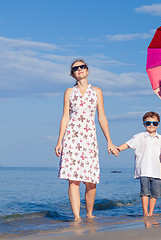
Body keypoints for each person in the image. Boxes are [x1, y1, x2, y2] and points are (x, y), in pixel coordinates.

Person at [55, 59, 118, 221]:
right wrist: (59, 140)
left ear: (87, 71)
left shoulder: (97, 91)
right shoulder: (69, 92)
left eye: (82, 67)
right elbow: (65, 116)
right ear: (72, 74)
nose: (79, 70)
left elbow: (102, 117)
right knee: (73, 180)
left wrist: (109, 141)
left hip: (89, 139)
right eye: (75, 68)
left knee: (91, 181)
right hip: (72, 139)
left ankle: (89, 214)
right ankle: (77, 217)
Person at [113, 111, 161, 217]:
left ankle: (151, 212)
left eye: (155, 123)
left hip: (156, 170)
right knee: (145, 192)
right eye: (148, 123)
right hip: (143, 169)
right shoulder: (139, 137)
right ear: (144, 124)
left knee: (155, 193)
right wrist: (117, 149)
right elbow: (127, 144)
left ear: (158, 124)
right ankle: (145, 212)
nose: (151, 125)